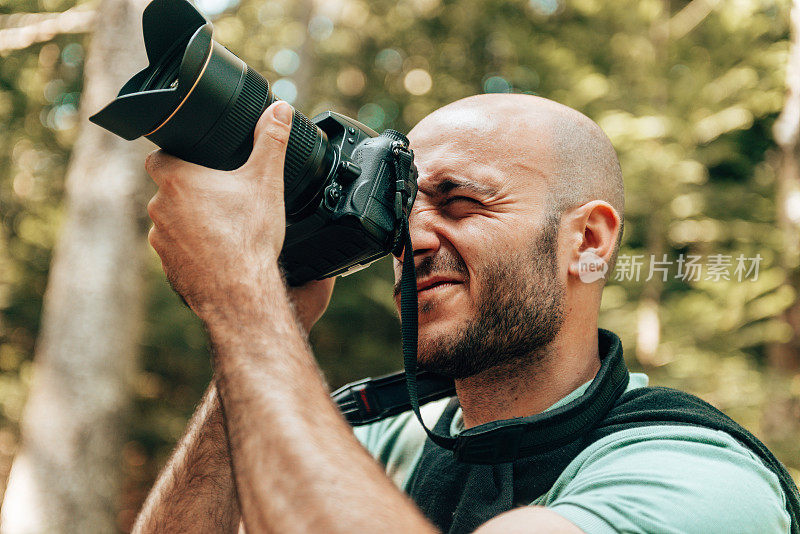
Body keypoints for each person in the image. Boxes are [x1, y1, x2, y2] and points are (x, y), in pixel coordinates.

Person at [134, 94, 794, 534]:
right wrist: (268, 305)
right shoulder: (393, 442)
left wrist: (240, 294)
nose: (412, 242)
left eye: (459, 204)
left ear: (588, 243)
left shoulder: (702, 481)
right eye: (403, 210)